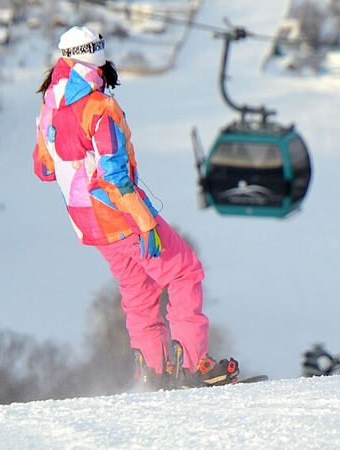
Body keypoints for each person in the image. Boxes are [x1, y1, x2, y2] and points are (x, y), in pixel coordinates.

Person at [32, 26, 238, 391]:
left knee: (139, 291)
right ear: (98, 56)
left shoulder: (50, 106)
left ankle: (154, 371)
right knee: (183, 272)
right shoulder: (98, 108)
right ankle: (193, 365)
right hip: (120, 215)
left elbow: (45, 169)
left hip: (90, 225)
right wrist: (144, 222)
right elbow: (114, 176)